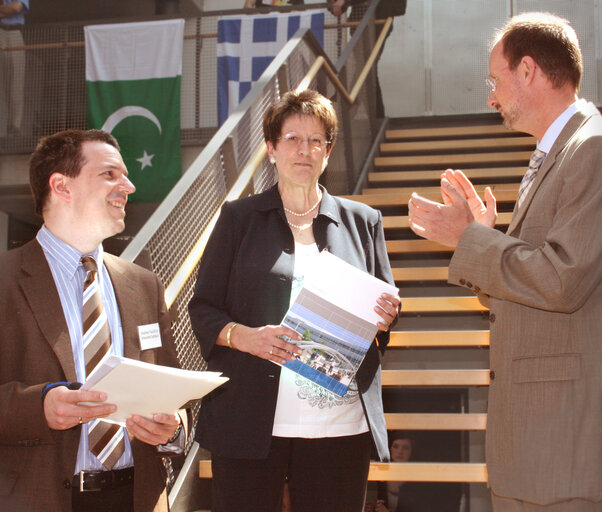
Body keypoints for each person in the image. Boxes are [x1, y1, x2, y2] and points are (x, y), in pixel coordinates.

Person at [408, 12, 601, 512]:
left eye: (496, 81)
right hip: (535, 451)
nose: (491, 97)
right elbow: (531, 283)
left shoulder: (592, 147)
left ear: (530, 71)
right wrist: (483, 240)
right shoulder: (558, 153)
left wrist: (471, 240)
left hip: (561, 452)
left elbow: (561, 281)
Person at [188, 89, 401, 512]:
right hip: (250, 422)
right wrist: (242, 337)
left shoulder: (363, 221)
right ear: (271, 148)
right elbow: (203, 306)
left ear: (328, 151)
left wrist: (386, 316)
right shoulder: (238, 218)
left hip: (340, 426)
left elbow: (386, 308)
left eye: (316, 140)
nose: (304, 150)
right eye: (292, 139)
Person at [0, 129, 186, 512]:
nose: (128, 186)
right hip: (39, 499)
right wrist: (39, 408)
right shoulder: (4, 279)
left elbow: (174, 390)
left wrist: (174, 428)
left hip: (138, 497)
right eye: (110, 174)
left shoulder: (143, 284)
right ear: (61, 186)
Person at [365, 431, 424, 512]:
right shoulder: (379, 476)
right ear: (390, 449)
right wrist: (371, 508)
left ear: (412, 452)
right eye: (396, 446)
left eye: (405, 448)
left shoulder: (419, 481)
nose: (400, 451)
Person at [0, 0, 28, 137]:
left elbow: (16, 7)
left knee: (16, 81)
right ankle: (1, 131)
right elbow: (10, 9)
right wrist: (5, 10)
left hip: (14, 32)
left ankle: (14, 128)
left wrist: (7, 9)